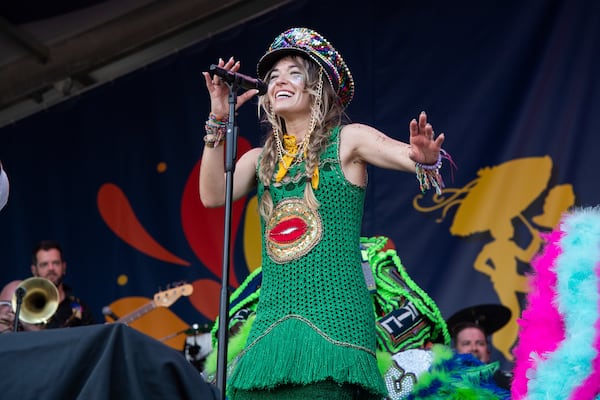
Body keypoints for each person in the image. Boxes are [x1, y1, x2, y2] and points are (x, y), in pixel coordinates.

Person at [199, 27, 448, 399]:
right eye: (273, 76)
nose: (280, 81)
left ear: (317, 87)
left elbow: (406, 155)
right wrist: (219, 118)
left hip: (335, 323)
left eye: (294, 73)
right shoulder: (259, 159)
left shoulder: (348, 140)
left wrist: (423, 157)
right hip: (270, 326)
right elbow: (212, 194)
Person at [0, 240, 94, 332]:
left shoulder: (79, 308)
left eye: (56, 263)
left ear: (64, 267)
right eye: (44, 264)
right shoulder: (21, 303)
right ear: (34, 270)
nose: (51, 268)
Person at [446, 304, 513, 390]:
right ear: (455, 352)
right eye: (466, 343)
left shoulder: (509, 384)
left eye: (480, 343)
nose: (474, 348)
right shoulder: (444, 387)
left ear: (488, 352)